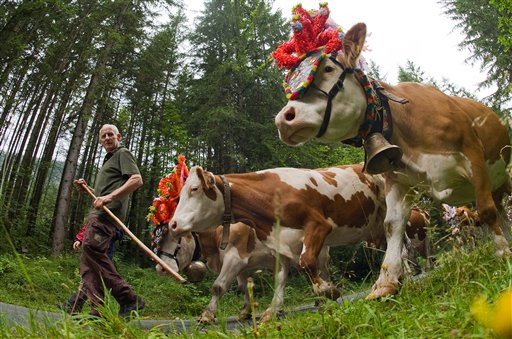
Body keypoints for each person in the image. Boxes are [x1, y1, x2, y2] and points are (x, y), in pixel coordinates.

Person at [73, 124, 144, 318]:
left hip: (107, 216)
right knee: (89, 263)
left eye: (110, 134)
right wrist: (89, 189)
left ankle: (128, 298)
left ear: (118, 136)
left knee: (91, 251)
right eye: (103, 136)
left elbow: (137, 179)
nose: (106, 138)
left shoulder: (123, 153)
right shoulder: (108, 160)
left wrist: (109, 198)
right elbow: (102, 195)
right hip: (100, 214)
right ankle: (97, 312)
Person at [58, 224, 123, 314]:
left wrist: (108, 232)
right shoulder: (96, 217)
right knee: (91, 280)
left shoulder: (113, 218)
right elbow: (88, 228)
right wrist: (80, 239)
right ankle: (83, 307)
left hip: (104, 256)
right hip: (92, 252)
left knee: (93, 281)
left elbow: (119, 234)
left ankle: (78, 306)